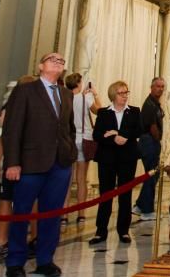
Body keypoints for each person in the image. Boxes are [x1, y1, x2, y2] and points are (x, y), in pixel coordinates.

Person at [1, 53, 77, 277]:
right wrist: (13, 162)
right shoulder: (25, 90)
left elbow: (68, 127)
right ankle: (15, 261)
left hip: (60, 163)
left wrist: (69, 151)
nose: (58, 62)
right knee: (22, 212)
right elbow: (12, 128)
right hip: (30, 163)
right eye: (53, 59)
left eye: (61, 61)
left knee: (52, 215)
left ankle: (45, 259)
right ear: (41, 66)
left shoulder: (65, 94)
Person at [0, 75, 37, 259]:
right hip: (17, 160)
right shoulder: (16, 108)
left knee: (19, 200)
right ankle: (7, 240)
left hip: (25, 160)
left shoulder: (34, 108)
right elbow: (6, 136)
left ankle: (11, 240)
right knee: (11, 199)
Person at [89, 80, 142, 245]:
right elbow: (97, 135)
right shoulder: (104, 113)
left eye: (126, 92)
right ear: (113, 94)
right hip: (107, 158)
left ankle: (123, 230)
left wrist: (118, 133)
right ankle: (101, 231)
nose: (125, 96)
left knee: (125, 194)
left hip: (128, 158)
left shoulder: (134, 111)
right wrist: (114, 139)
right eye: (121, 93)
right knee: (106, 194)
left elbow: (139, 130)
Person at [64, 72, 100, 226]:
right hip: (84, 139)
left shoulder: (64, 98)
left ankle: (63, 214)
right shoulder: (85, 98)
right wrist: (95, 94)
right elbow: (99, 111)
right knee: (81, 179)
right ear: (79, 83)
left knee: (66, 179)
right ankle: (81, 214)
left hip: (68, 140)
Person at [134, 77, 165, 221]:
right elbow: (152, 126)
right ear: (151, 87)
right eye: (158, 86)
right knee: (152, 174)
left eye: (162, 86)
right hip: (149, 141)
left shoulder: (155, 103)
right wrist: (157, 139)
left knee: (153, 174)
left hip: (151, 141)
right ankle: (146, 210)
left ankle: (140, 205)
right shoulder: (149, 104)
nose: (160, 89)